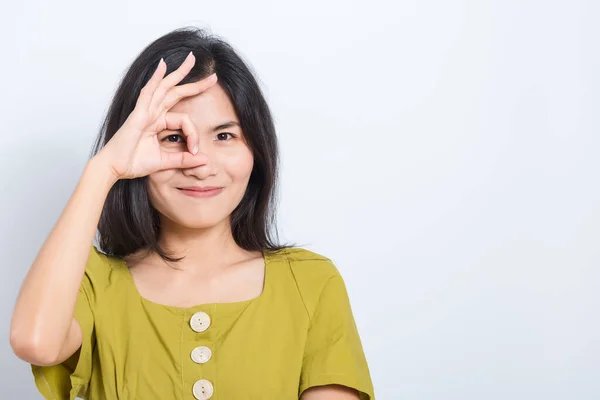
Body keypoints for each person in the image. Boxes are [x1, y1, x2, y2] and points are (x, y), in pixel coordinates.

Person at [9, 26, 375, 400]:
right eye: (172, 137)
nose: (199, 162)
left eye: (224, 136)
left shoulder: (310, 283)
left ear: (256, 152)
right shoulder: (94, 285)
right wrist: (104, 170)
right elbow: (35, 343)